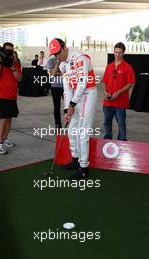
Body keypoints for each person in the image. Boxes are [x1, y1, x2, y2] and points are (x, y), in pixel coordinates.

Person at [49, 38, 97, 179]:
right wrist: (66, 108)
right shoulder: (63, 65)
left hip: (88, 93)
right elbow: (67, 86)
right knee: (71, 129)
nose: (57, 57)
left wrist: (72, 105)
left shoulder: (80, 58)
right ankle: (75, 161)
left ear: (64, 47)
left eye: (58, 53)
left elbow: (82, 84)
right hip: (75, 97)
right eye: (54, 55)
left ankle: (84, 168)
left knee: (82, 132)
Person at [0, 42, 22, 154]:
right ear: (3, 51)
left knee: (9, 118)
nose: (10, 53)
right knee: (3, 119)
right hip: (2, 95)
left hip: (12, 96)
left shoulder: (16, 63)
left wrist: (13, 66)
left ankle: (4, 139)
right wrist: (0, 65)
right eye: (7, 51)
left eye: (12, 51)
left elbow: (19, 79)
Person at [102, 42, 135, 141]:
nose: (117, 55)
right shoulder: (109, 66)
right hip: (108, 102)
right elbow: (104, 81)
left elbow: (130, 83)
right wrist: (105, 92)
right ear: (114, 52)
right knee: (106, 123)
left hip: (120, 102)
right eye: (116, 52)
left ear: (123, 53)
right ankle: (107, 142)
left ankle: (122, 142)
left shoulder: (127, 67)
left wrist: (118, 93)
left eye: (120, 52)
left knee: (121, 124)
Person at [46, 55, 64, 130]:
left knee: (68, 106)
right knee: (57, 107)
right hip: (55, 87)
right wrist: (57, 62)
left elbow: (65, 74)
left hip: (65, 87)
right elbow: (52, 73)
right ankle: (58, 126)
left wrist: (57, 72)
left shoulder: (65, 59)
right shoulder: (51, 60)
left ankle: (72, 126)